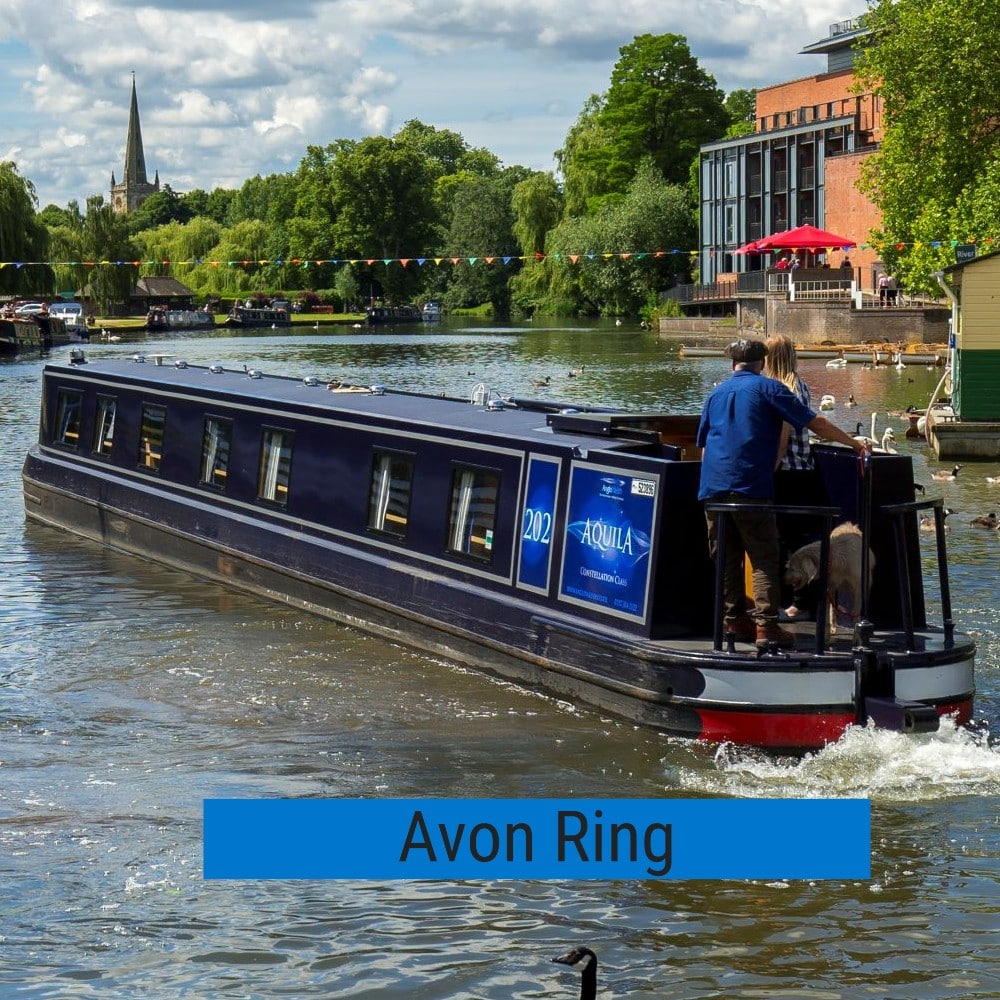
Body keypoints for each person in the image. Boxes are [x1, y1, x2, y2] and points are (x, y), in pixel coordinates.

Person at [696, 338, 869, 648]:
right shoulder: (770, 389)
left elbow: (705, 443)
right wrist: (855, 444)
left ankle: (733, 622)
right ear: (762, 363)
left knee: (726, 556)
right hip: (750, 488)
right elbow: (816, 423)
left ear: (732, 364)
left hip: (711, 489)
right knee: (764, 557)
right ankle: (766, 627)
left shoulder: (715, 393)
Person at [764, 335, 824, 622]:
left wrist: (771, 467)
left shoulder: (782, 388)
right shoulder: (800, 384)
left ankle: (798, 604)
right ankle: (798, 600)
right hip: (804, 471)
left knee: (790, 542)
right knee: (798, 540)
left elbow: (782, 438)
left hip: (789, 474)